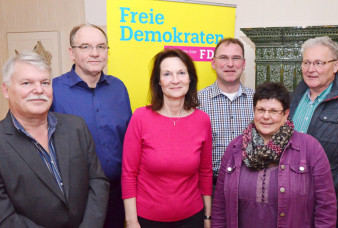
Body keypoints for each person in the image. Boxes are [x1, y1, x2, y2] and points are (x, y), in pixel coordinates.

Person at [0, 51, 109, 227]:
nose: (38, 89)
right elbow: (4, 216)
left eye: (45, 82)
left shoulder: (76, 127)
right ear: (6, 90)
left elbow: (97, 181)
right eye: (27, 83)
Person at [212, 82, 337, 227]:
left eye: (273, 111)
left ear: (286, 114)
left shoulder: (310, 148)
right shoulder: (235, 148)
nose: (266, 116)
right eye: (261, 110)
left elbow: (326, 207)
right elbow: (220, 205)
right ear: (254, 111)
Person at [51, 24, 132, 228]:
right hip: (75, 196)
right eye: (85, 46)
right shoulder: (53, 90)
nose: (95, 53)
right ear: (72, 53)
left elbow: (129, 139)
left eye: (101, 47)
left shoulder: (118, 88)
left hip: (117, 193)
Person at [122, 49, 213, 228]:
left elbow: (205, 172)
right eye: (167, 74)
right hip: (147, 220)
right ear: (158, 81)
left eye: (181, 73)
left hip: (192, 218)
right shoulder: (140, 118)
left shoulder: (202, 120)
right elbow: (128, 174)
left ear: (190, 78)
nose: (175, 80)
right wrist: (131, 221)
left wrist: (207, 218)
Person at [290, 36, 338, 228]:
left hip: (332, 207)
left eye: (319, 63)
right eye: (306, 62)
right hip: (292, 203)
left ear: (336, 66)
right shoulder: (295, 95)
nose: (310, 69)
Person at [198, 38, 254, 187]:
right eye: (223, 58)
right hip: (210, 186)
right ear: (213, 63)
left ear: (243, 64)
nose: (230, 64)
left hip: (249, 185)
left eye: (236, 58)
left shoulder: (258, 102)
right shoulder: (195, 102)